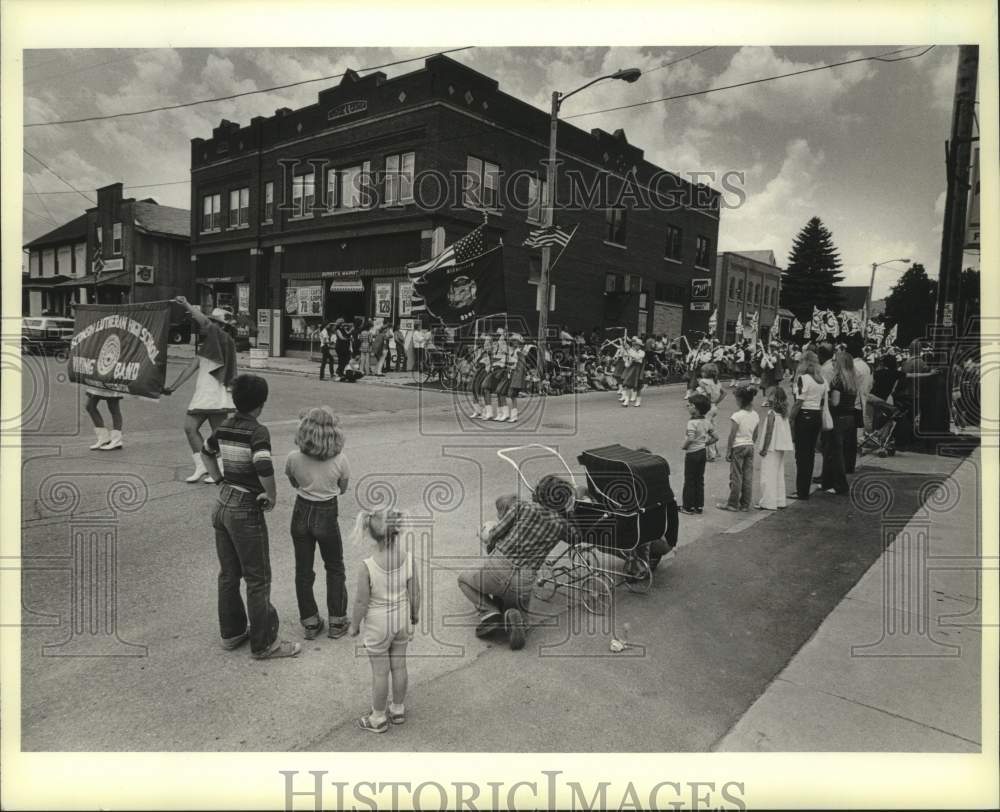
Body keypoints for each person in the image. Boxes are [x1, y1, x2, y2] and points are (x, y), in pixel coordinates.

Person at [201, 374, 301, 660]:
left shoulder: (224, 427)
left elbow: (206, 453)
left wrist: (219, 480)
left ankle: (231, 633)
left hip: (222, 502)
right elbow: (263, 465)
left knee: (229, 574)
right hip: (244, 507)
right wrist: (271, 496)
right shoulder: (258, 431)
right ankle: (265, 643)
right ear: (261, 404)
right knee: (258, 578)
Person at [457, 474, 573, 651]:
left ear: (539, 491)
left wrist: (483, 531)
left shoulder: (522, 507)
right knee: (519, 610)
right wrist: (571, 511)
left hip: (498, 568)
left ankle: (489, 612)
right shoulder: (562, 525)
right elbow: (577, 538)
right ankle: (516, 618)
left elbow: (494, 535)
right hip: (523, 581)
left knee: (464, 580)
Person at [349, 508, 420, 733]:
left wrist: (354, 625)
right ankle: (398, 709)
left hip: (378, 624)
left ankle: (378, 718)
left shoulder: (367, 565)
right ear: (397, 532)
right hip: (401, 620)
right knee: (399, 665)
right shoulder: (408, 559)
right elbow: (415, 592)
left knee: (380, 672)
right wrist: (414, 614)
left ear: (370, 534)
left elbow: (361, 601)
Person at [285, 407, 351, 641]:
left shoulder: (293, 457)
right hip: (326, 512)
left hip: (301, 511)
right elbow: (342, 489)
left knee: (303, 570)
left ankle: (311, 622)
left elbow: (293, 481)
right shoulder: (340, 459)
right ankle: (337, 620)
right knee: (334, 567)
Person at [163, 298, 238, 484]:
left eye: (213, 322)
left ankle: (220, 468)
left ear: (221, 326)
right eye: (211, 322)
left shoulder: (224, 339)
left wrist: (188, 304)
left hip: (216, 394)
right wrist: (172, 387)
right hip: (202, 394)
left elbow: (203, 321)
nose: (208, 325)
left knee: (216, 434)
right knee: (190, 428)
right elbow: (191, 367)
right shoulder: (209, 343)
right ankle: (202, 465)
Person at [788, 351, 829, 500]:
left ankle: (801, 490)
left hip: (804, 416)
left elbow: (799, 401)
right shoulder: (822, 380)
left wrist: (790, 418)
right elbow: (824, 401)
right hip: (816, 415)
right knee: (810, 454)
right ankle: (804, 488)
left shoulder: (803, 379)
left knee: (801, 455)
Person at [717, 385, 759, 511]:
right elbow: (755, 434)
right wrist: (750, 442)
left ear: (740, 400)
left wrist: (729, 450)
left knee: (736, 475)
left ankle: (733, 503)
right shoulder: (755, 415)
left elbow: (732, 434)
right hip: (749, 445)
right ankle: (745, 504)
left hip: (738, 446)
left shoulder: (737, 415)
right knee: (747, 475)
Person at [821, 351, 858, 495]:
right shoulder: (852, 379)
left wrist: (824, 398)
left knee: (835, 453)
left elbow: (835, 402)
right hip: (849, 417)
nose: (833, 362)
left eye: (835, 360)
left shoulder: (837, 380)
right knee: (839, 452)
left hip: (837, 418)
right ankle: (830, 482)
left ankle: (839, 485)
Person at [756, 386, 794, 510]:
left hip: (771, 447)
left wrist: (764, 448)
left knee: (767, 475)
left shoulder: (772, 414)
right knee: (778, 473)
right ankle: (779, 500)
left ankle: (768, 502)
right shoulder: (783, 413)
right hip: (780, 445)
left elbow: (769, 432)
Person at [680, 393, 716, 515]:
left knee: (689, 479)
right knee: (699, 479)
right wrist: (705, 444)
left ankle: (687, 506)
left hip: (692, 453)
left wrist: (684, 446)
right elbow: (715, 437)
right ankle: (699, 505)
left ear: (695, 408)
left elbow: (690, 438)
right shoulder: (706, 421)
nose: (687, 406)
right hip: (702, 452)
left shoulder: (691, 423)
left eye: (689, 405)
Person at [696, 363, 725, 460]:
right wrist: (716, 402)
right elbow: (724, 393)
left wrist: (706, 403)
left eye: (702, 372)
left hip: (707, 407)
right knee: (713, 429)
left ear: (706, 373)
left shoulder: (703, 381)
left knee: (706, 430)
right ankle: (715, 451)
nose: (701, 373)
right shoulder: (716, 381)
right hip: (714, 407)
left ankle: (710, 455)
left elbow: (708, 393)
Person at [620, 336, 645, 407]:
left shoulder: (642, 352)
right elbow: (627, 363)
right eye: (634, 345)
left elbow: (637, 357)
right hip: (631, 369)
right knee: (627, 385)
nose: (635, 346)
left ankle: (638, 401)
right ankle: (626, 401)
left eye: (637, 345)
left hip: (638, 370)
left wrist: (630, 351)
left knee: (637, 387)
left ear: (639, 346)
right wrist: (627, 360)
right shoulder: (631, 351)